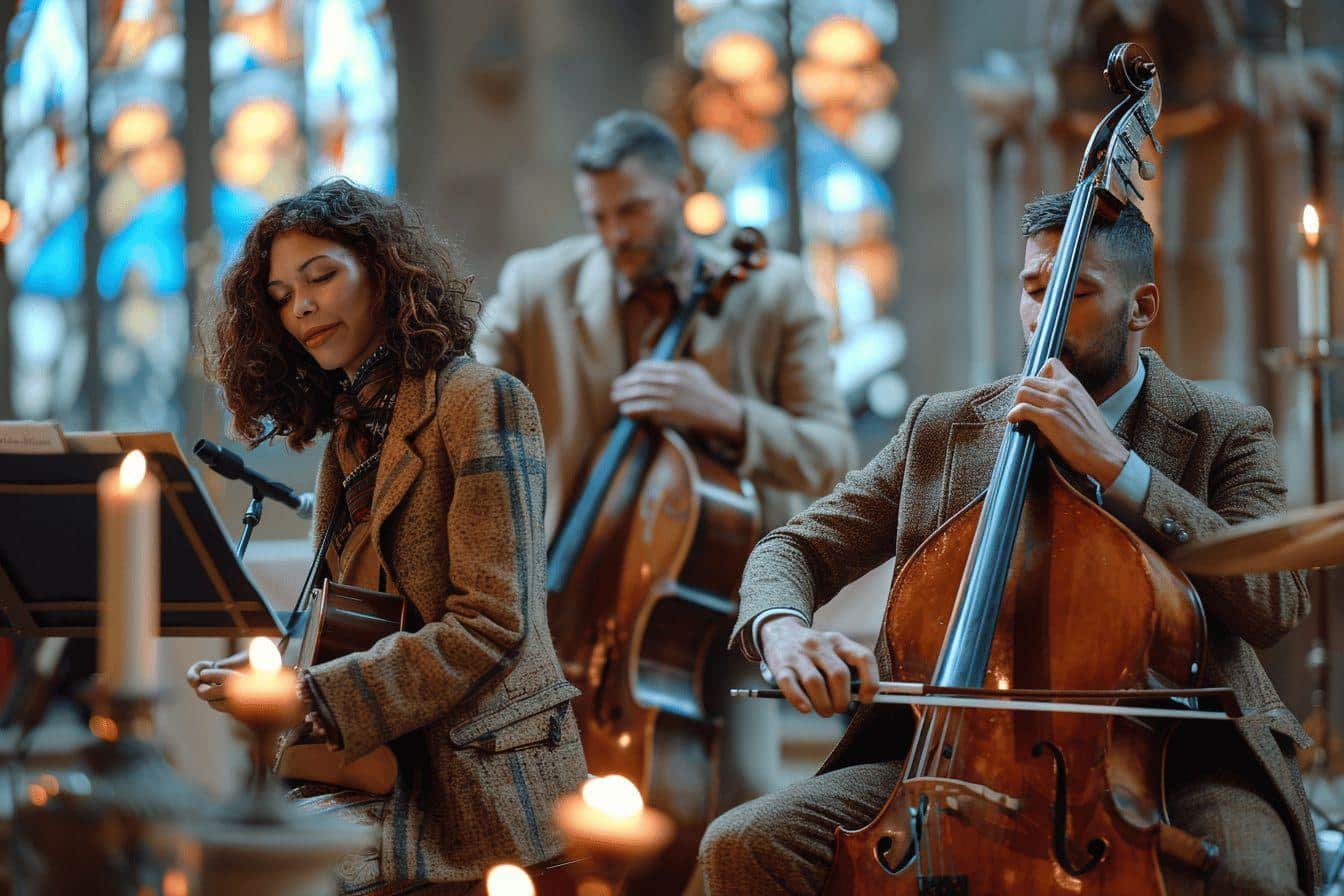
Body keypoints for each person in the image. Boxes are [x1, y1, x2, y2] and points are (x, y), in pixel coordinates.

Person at [698, 191, 1321, 895]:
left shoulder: (1224, 430)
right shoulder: (942, 428)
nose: (1045, 316)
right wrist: (782, 632)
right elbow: (794, 547)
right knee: (745, 843)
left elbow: (1275, 603)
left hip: (1188, 759)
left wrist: (1121, 471)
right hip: (954, 759)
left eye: (1077, 292)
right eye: (1033, 290)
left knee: (1251, 881)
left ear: (1141, 307)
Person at [473, 109, 857, 867]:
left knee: (732, 798)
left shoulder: (773, 292)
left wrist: (726, 414)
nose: (616, 233)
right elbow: (468, 400)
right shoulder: (538, 283)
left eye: (634, 209)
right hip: (575, 596)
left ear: (682, 187)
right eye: (599, 216)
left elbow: (834, 454)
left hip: (724, 602)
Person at [186, 179, 586, 895]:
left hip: (479, 780)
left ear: (383, 272)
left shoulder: (482, 399)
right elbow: (362, 623)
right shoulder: (349, 435)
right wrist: (271, 690)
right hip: (383, 766)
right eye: (280, 296)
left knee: (275, 878)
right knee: (211, 856)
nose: (301, 306)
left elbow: (493, 625)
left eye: (321, 276)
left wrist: (307, 697)